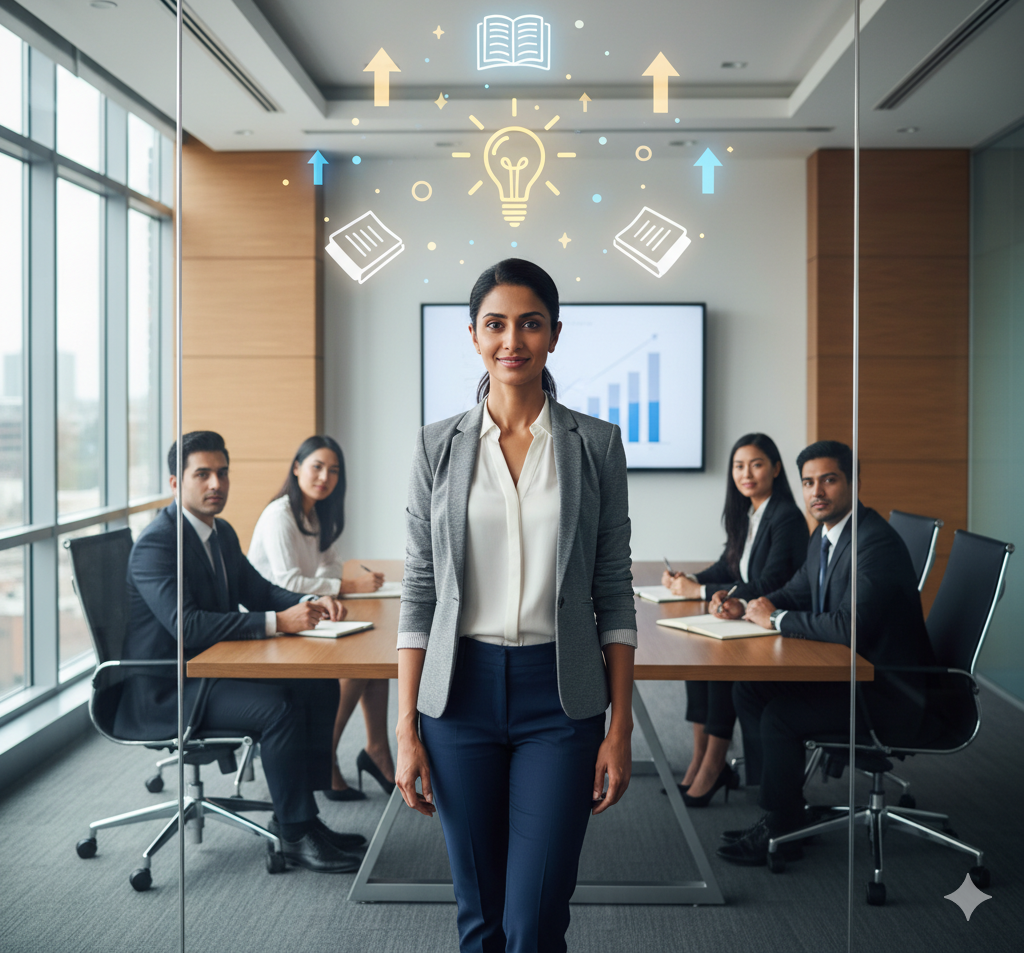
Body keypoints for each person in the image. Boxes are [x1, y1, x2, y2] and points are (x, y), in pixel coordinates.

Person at [394, 259, 636, 952]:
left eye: (530, 323)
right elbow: (420, 592)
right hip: (458, 696)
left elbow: (612, 592)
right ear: (472, 335)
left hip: (559, 700)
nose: (513, 339)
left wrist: (619, 730)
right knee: (481, 917)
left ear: (554, 334)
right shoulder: (435, 446)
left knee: (533, 920)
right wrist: (406, 727)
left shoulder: (596, 446)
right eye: (496, 324)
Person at [116, 430, 367, 873]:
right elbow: (187, 626)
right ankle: (293, 835)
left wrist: (305, 604)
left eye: (222, 473)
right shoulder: (158, 543)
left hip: (212, 670)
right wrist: (278, 622)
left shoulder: (221, 532)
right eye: (203, 474)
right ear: (175, 483)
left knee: (318, 683)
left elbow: (259, 589)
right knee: (278, 709)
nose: (216, 484)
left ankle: (302, 817)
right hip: (169, 686)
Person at [715, 440, 934, 866]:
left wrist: (774, 620)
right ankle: (781, 811)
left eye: (829, 480)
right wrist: (749, 606)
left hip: (889, 691)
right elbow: (796, 591)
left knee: (781, 713)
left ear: (852, 483)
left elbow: (849, 626)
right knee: (750, 689)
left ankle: (782, 829)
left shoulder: (873, 543)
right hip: (855, 676)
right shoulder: (829, 535)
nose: (817, 491)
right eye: (809, 482)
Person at [661, 433, 809, 806]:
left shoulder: (785, 517)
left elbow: (772, 581)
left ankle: (713, 767)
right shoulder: (750, 513)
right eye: (739, 466)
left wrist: (698, 594)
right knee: (698, 658)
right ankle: (699, 762)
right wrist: (693, 580)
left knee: (716, 664)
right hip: (746, 620)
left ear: (776, 468)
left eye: (756, 464)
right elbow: (730, 565)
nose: (746, 473)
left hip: (772, 626)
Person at [248, 436, 395, 801]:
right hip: (271, 622)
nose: (324, 477)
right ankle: (325, 757)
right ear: (297, 467)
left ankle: (377, 750)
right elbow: (287, 581)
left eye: (333, 470)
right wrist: (349, 585)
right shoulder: (279, 515)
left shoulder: (316, 513)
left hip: (304, 613)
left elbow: (329, 564)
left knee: (371, 660)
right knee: (358, 664)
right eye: (317, 466)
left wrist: (340, 585)